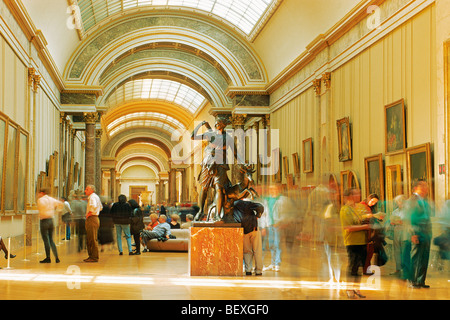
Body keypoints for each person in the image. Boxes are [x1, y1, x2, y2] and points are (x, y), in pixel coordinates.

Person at [191, 116, 245, 222]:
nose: (217, 124)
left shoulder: (228, 138)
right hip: (208, 163)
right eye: (216, 123)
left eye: (219, 122)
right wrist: (200, 124)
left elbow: (235, 153)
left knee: (219, 189)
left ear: (224, 124)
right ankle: (201, 211)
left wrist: (242, 163)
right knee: (204, 188)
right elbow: (193, 136)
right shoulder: (210, 134)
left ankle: (217, 215)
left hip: (221, 164)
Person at [339, 188, 370, 298]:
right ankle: (349, 288)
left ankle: (357, 287)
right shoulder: (345, 210)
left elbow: (363, 218)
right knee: (353, 266)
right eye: (356, 194)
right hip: (352, 242)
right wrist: (364, 226)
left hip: (362, 240)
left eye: (359, 193)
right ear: (350, 196)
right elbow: (348, 228)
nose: (359, 195)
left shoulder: (360, 207)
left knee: (360, 266)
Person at [405, 180, 432, 288]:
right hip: (417, 233)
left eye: (427, 186)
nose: (426, 188)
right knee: (415, 258)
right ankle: (413, 280)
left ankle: (420, 280)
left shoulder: (424, 201)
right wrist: (413, 233)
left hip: (426, 234)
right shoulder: (412, 201)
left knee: (424, 257)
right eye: (423, 186)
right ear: (416, 187)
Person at [233, 200, 264, 276]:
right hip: (254, 229)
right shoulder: (246, 203)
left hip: (244, 230)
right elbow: (260, 206)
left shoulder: (232, 206)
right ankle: (258, 271)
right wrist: (258, 215)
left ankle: (248, 270)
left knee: (247, 251)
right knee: (257, 250)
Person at [37, 187, 63, 263]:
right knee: (51, 239)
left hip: (44, 221)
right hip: (51, 220)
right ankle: (57, 257)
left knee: (46, 240)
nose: (38, 194)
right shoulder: (51, 199)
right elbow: (61, 203)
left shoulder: (40, 200)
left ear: (42, 193)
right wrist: (56, 210)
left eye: (39, 193)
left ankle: (48, 257)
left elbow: (41, 208)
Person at [356, 193, 381, 274]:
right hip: (364, 231)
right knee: (366, 251)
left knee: (370, 251)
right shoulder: (361, 206)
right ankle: (365, 269)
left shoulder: (369, 207)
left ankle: (367, 268)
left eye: (375, 202)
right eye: (372, 201)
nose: (373, 203)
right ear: (369, 198)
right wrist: (369, 216)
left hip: (369, 231)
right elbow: (359, 217)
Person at [261, 184, 283, 272]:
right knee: (271, 245)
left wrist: (280, 222)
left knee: (277, 244)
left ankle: (277, 263)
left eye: (274, 188)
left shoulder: (281, 199)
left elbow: (283, 212)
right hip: (270, 224)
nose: (272, 190)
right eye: (270, 189)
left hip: (277, 225)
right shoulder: (267, 199)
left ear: (278, 189)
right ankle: (273, 263)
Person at [388, 194, 408, 277]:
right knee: (397, 251)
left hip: (405, 232)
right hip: (396, 231)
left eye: (400, 201)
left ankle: (405, 269)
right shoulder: (395, 211)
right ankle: (398, 268)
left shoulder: (408, 211)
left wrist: (403, 222)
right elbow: (391, 220)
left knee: (404, 250)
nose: (399, 203)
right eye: (398, 202)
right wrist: (392, 222)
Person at [84, 184, 102, 262]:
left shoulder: (92, 197)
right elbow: (100, 207)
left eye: (87, 189)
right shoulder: (95, 196)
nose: (85, 191)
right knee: (91, 238)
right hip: (95, 218)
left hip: (92, 219)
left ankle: (93, 257)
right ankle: (92, 255)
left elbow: (93, 206)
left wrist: (89, 214)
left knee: (91, 238)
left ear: (92, 190)